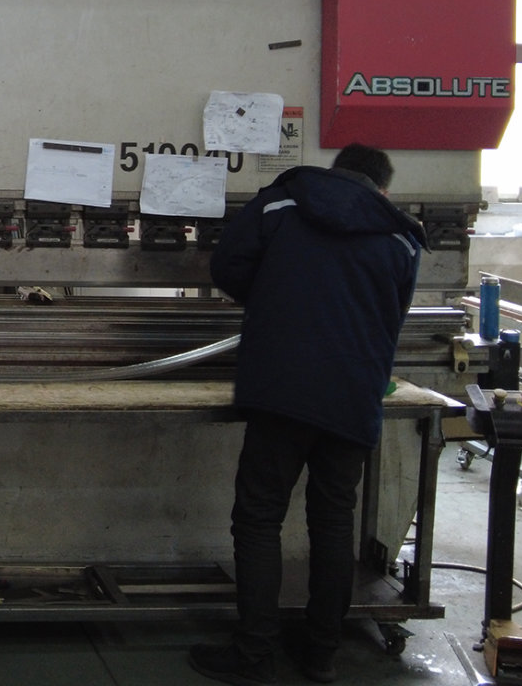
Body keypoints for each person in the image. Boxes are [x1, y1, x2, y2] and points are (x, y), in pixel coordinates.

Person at [189, 143, 424, 686]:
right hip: (353, 395)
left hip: (283, 388)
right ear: (382, 188)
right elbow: (394, 314)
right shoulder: (401, 235)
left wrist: (277, 298)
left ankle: (254, 655)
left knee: (259, 518)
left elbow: (227, 266)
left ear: (335, 171)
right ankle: (321, 654)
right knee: (334, 521)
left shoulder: (283, 201)